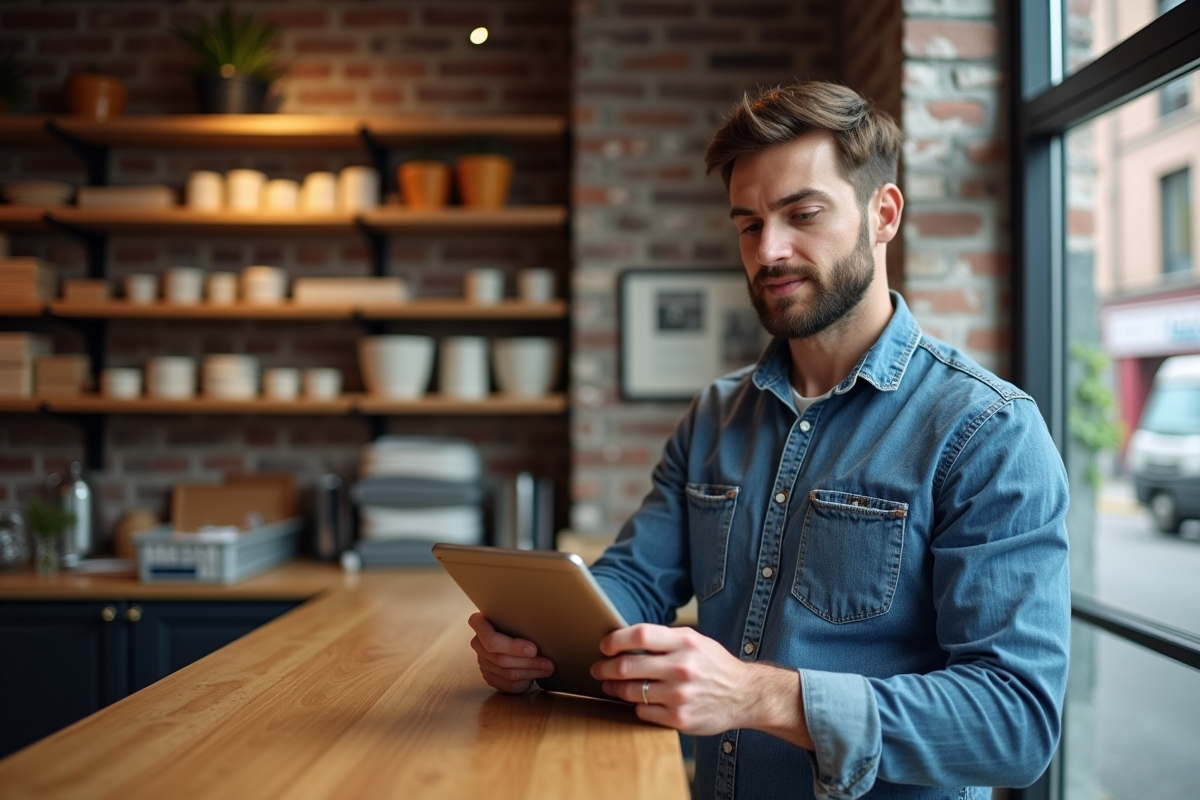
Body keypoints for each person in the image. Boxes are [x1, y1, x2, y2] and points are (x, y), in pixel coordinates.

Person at [467, 81, 1070, 800]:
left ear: (884, 215)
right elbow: (637, 579)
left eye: (802, 214)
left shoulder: (986, 430)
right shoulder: (717, 413)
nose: (770, 250)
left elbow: (1015, 725)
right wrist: (541, 643)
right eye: (748, 224)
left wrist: (759, 697)